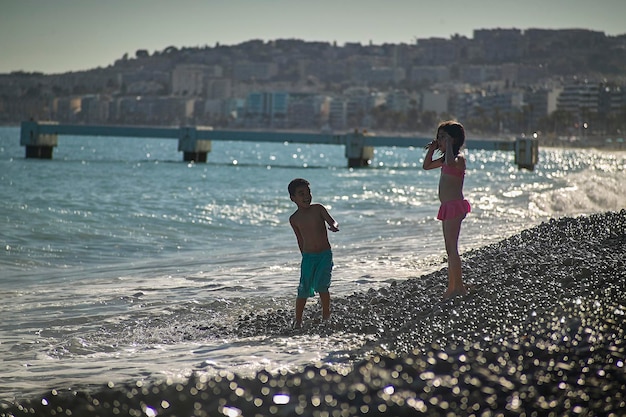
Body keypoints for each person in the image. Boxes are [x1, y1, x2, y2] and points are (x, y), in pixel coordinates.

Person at [422, 120, 471, 298]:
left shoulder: (458, 159)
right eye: (439, 137)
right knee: (449, 249)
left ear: (454, 140)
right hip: (447, 207)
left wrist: (449, 145)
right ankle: (455, 285)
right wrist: (432, 148)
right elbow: (426, 166)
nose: (440, 140)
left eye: (443, 137)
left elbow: (450, 162)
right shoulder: (444, 160)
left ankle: (457, 288)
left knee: (452, 248)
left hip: (455, 206)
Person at [288, 178, 339, 328]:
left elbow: (333, 221)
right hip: (308, 257)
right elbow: (299, 239)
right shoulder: (294, 219)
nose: (306, 196)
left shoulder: (318, 209)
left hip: (324, 255)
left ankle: (326, 314)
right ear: (293, 198)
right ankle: (298, 320)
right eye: (301, 193)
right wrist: (303, 256)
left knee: (323, 285)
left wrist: (334, 226)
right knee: (303, 288)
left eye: (308, 192)